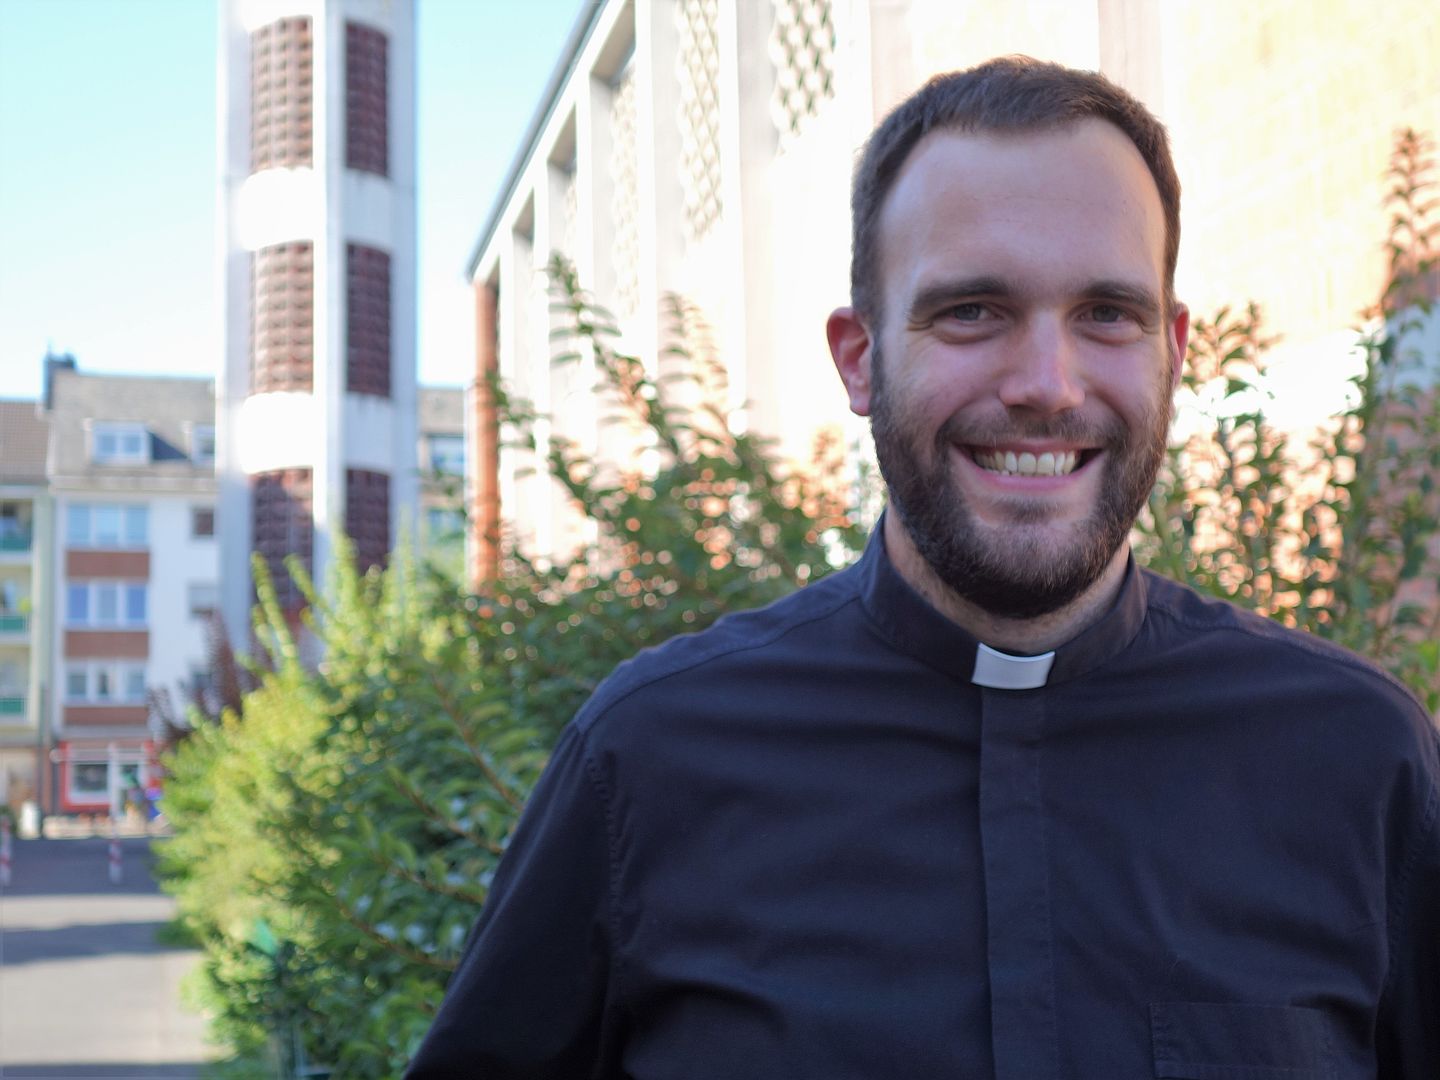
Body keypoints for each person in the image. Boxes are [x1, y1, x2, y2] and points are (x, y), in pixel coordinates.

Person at [407, 56, 1439, 1078]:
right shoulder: (647, 762)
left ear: (1173, 350)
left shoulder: (1362, 762)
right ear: (859, 358)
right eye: (971, 312)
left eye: (1106, 314)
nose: (1046, 383)